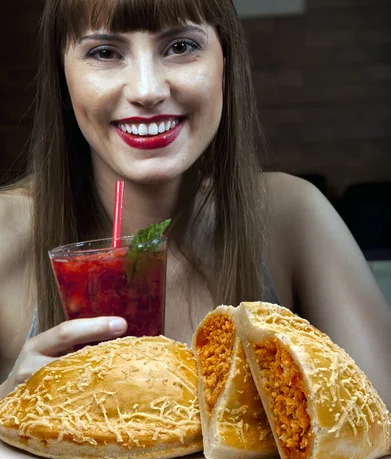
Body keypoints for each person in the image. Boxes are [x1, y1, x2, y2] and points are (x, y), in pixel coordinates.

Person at [0, 0, 390, 407]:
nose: (147, 90)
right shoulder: (5, 232)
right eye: (104, 52)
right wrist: (6, 410)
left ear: (226, 61)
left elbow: (384, 428)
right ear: (63, 80)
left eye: (181, 46)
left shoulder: (291, 216)